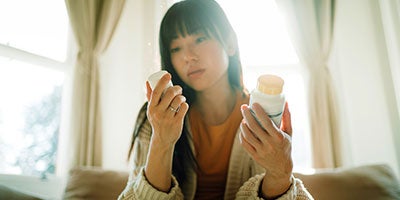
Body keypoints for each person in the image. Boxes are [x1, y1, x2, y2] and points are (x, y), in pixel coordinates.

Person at [119, 0, 313, 199]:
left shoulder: (262, 114)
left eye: (200, 39)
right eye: (176, 48)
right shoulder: (158, 116)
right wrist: (161, 140)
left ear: (229, 43)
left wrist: (280, 173)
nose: (188, 56)